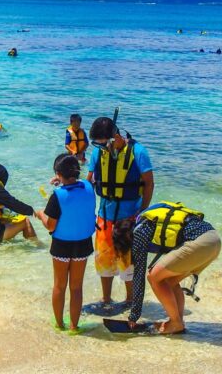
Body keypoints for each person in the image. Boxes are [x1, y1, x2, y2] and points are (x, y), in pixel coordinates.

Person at [86, 115, 154, 307]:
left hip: (129, 217)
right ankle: (106, 299)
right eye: (97, 145)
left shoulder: (138, 152)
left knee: (128, 262)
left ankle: (130, 300)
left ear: (115, 136)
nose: (101, 148)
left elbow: (149, 183)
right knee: (103, 261)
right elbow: (89, 181)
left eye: (103, 144)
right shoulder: (98, 153)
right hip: (104, 217)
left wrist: (142, 213)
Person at [128, 201, 221, 334]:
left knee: (153, 277)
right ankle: (178, 322)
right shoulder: (152, 219)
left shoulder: (139, 233)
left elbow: (139, 275)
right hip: (214, 240)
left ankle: (176, 323)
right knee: (169, 280)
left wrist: (134, 315)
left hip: (200, 243)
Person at [35, 155, 96, 331]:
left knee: (59, 286)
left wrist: (40, 214)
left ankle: (60, 324)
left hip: (62, 244)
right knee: (76, 288)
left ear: (58, 174)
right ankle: (74, 327)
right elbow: (78, 187)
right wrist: (63, 179)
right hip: (83, 243)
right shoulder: (89, 186)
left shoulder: (57, 196)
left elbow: (50, 224)